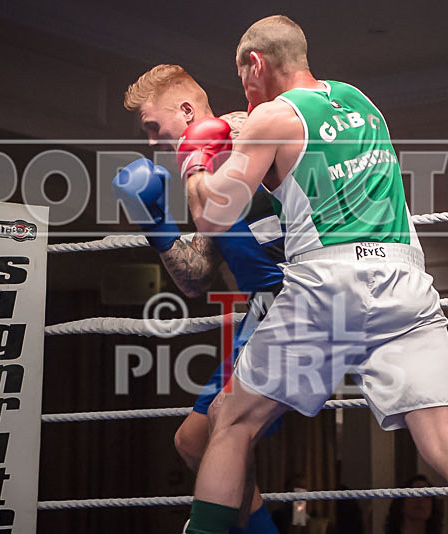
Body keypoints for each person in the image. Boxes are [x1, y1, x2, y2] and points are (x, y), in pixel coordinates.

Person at [176, 15, 448, 534]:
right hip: (406, 284)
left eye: (244, 78)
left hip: (329, 284)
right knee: (447, 438)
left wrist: (195, 167)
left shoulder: (271, 118)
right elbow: (292, 136)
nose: (245, 92)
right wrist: (239, 124)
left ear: (256, 63)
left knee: (232, 420)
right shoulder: (361, 103)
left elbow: (213, 215)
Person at [114, 64, 284, 533]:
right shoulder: (203, 180)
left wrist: (226, 130)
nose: (152, 142)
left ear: (187, 110)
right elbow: (194, 277)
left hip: (302, 302)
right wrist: (155, 221)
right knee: (192, 441)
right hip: (260, 313)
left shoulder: (249, 131)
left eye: (154, 126)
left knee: (221, 433)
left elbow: (269, 129)